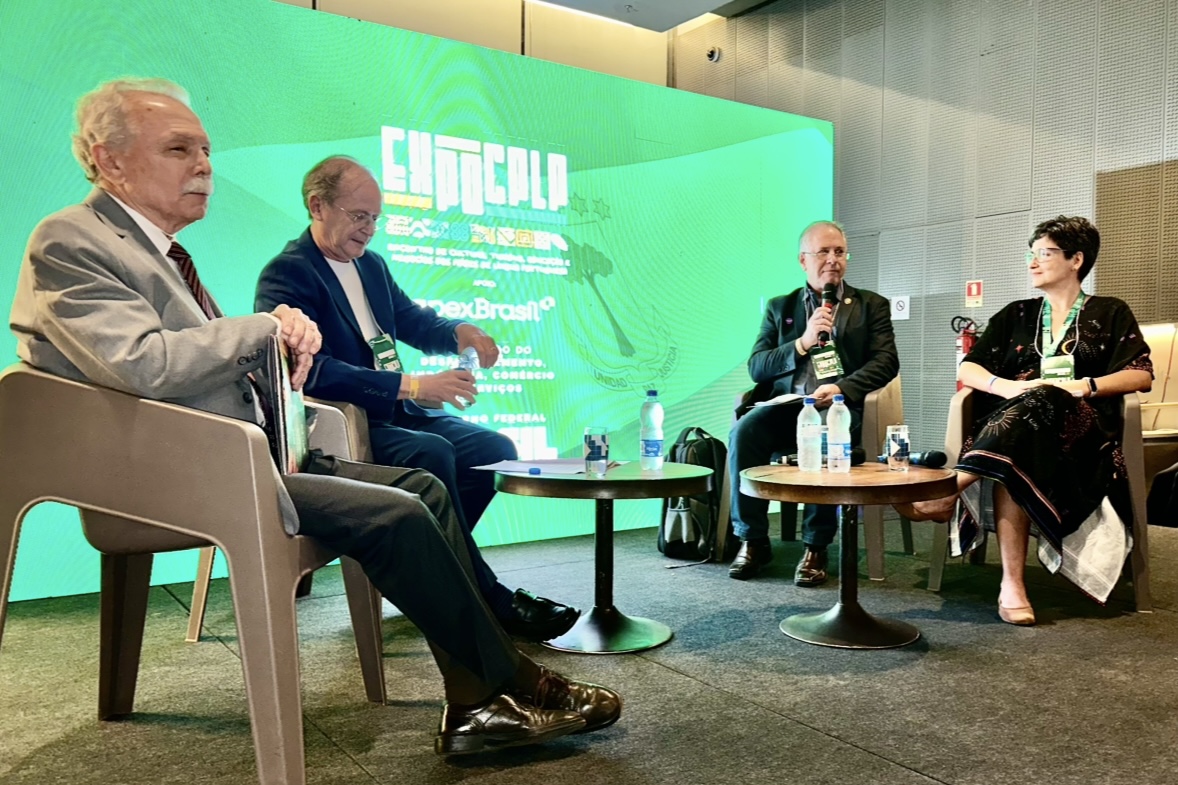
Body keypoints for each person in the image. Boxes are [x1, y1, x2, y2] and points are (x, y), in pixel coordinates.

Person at [9, 77, 620, 755]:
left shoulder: (164, 251)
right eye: (179, 149)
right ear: (109, 159)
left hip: (250, 453)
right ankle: (507, 682)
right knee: (403, 507)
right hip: (185, 472)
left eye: (206, 150)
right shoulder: (72, 239)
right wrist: (269, 332)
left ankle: (476, 693)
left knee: (423, 487)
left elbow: (381, 326)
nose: (204, 166)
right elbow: (143, 364)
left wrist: (286, 363)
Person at [254, 157, 577, 642]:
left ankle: (429, 576)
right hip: (345, 425)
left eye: (375, 218)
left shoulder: (370, 265)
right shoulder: (288, 273)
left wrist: (458, 331)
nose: (369, 229)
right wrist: (413, 387)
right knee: (433, 453)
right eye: (359, 216)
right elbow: (310, 370)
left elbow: (411, 319)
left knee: (494, 450)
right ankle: (486, 598)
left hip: (395, 413)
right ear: (317, 206)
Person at [897, 216, 1153, 626]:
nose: (1032, 263)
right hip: (1015, 428)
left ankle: (948, 489)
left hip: (1080, 433)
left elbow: (1139, 374)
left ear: (1076, 260)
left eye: (1044, 253)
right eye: (1030, 254)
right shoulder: (1016, 314)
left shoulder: (1110, 312)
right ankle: (1011, 585)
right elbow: (970, 368)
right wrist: (1007, 388)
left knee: (1045, 397)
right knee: (1021, 437)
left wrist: (1082, 386)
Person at [727, 221, 898, 583]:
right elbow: (758, 367)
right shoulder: (781, 307)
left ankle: (816, 546)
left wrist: (842, 388)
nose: (833, 259)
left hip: (837, 408)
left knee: (827, 437)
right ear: (803, 260)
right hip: (787, 407)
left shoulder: (870, 305)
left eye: (839, 252)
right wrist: (803, 342)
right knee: (744, 434)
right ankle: (752, 540)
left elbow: (886, 362)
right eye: (823, 252)